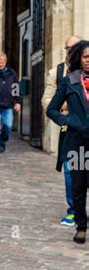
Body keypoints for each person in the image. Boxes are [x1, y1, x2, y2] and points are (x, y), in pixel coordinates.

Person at [47, 40, 89, 245]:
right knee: (79, 186)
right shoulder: (69, 81)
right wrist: (68, 121)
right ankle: (81, 226)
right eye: (86, 57)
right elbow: (52, 109)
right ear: (79, 59)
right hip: (78, 143)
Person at [42, 35, 82, 227]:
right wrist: (65, 114)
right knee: (70, 171)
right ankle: (73, 210)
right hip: (70, 130)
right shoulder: (57, 73)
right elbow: (47, 101)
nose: (71, 51)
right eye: (68, 48)